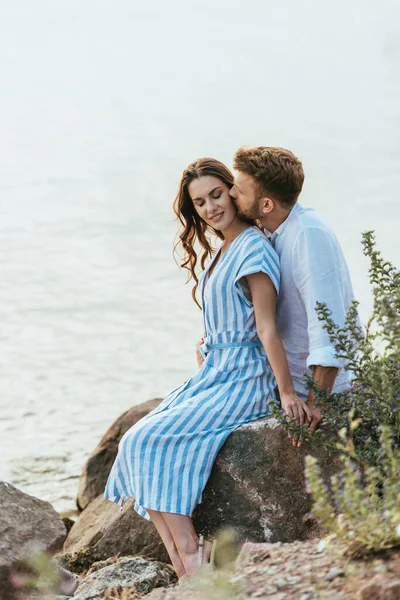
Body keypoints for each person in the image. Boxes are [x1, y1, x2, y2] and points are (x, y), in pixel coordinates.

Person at [104, 158, 310, 581]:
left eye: (217, 194)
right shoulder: (224, 249)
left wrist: (288, 393)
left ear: (233, 190)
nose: (211, 207)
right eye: (200, 202)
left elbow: (268, 329)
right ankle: (185, 568)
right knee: (134, 443)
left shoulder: (252, 247)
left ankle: (193, 562)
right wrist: (210, 345)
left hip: (246, 375)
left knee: (148, 437)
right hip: (218, 369)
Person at [230, 146, 356, 444]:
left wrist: (314, 406)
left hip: (316, 393)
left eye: (240, 190)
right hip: (284, 385)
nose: (232, 193)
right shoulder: (273, 230)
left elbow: (329, 329)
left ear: (267, 205)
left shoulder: (308, 236)